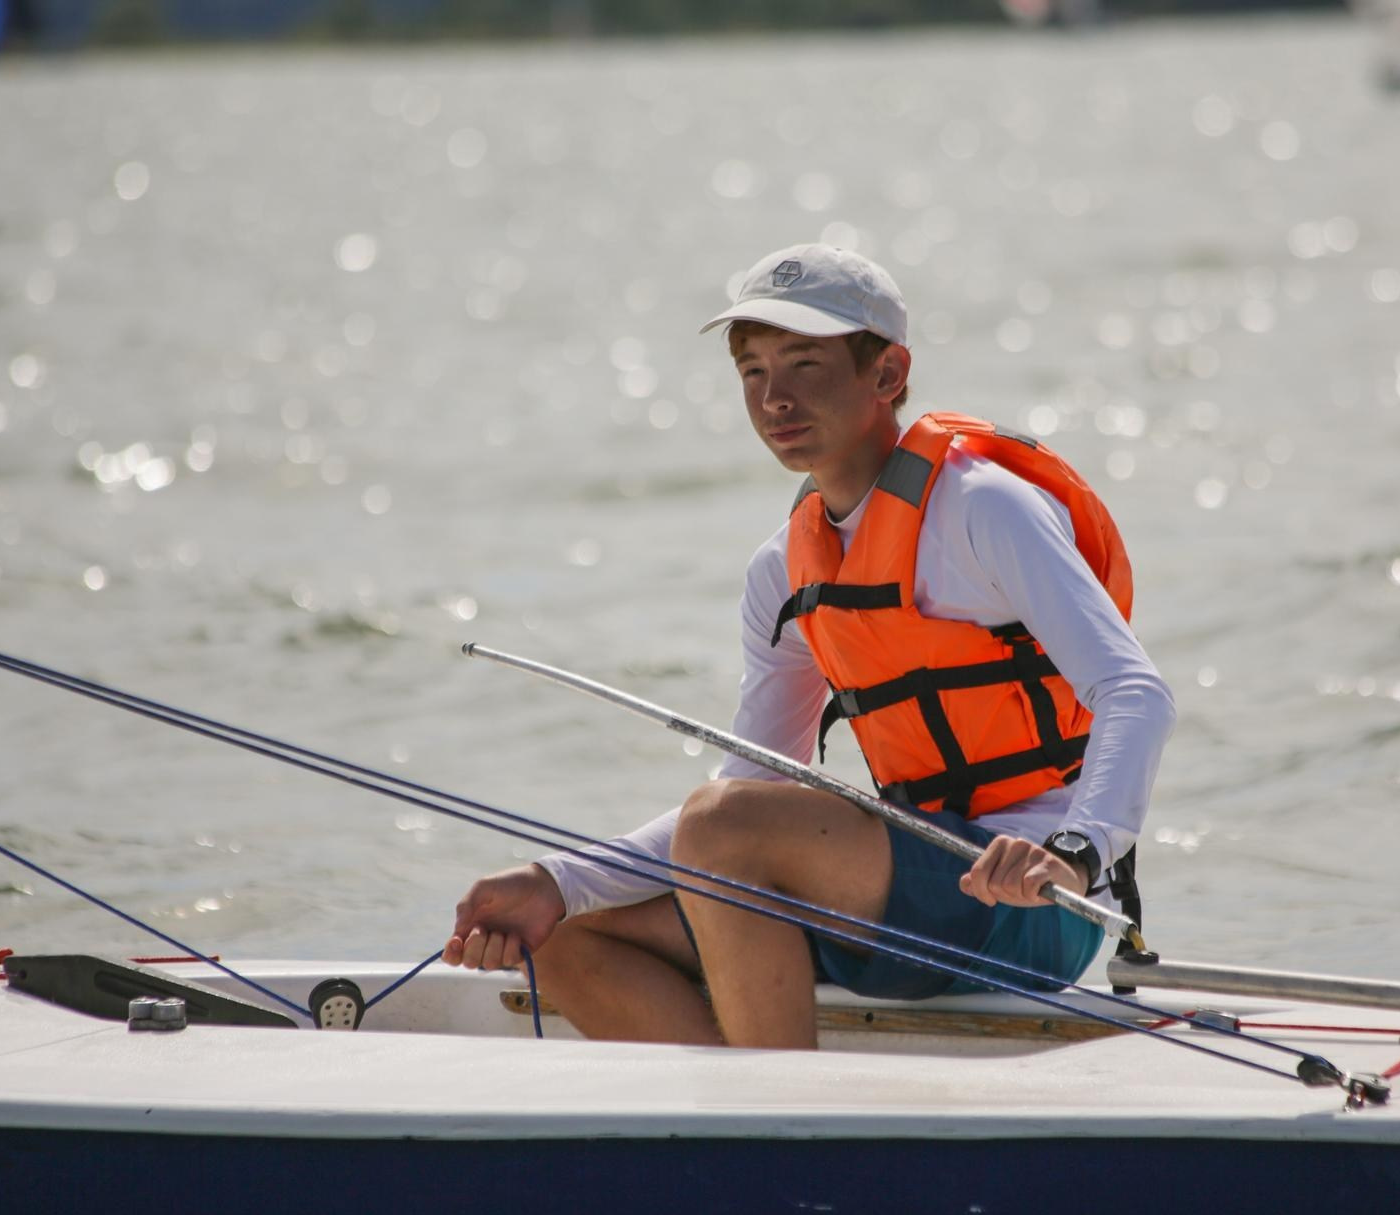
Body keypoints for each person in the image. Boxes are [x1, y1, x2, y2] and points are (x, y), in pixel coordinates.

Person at [443, 243, 1176, 1049]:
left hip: (1035, 907)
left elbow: (1136, 691)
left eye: (803, 363)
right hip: (901, 898)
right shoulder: (780, 571)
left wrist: (1073, 855)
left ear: (889, 374)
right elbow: (746, 787)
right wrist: (557, 882)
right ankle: (745, 1135)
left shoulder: (985, 509)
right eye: (752, 371)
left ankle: (781, 1115)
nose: (775, 397)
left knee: (722, 825)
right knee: (573, 937)